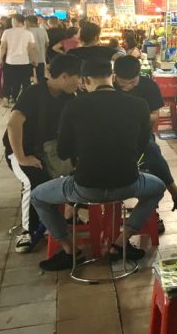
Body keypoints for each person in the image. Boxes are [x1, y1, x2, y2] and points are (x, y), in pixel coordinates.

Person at [31, 58, 165, 271]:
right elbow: (141, 146)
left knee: (37, 196)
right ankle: (121, 243)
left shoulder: (74, 105)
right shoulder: (139, 105)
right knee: (158, 186)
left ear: (85, 80)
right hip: (128, 183)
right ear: (112, 77)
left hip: (85, 188)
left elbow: (64, 152)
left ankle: (70, 250)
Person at [3, 54, 82, 253]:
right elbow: (13, 124)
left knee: (76, 172)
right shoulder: (34, 92)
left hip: (51, 152)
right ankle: (28, 231)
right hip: (21, 151)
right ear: (64, 76)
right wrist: (21, 157)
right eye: (78, 77)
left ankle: (60, 219)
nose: (80, 81)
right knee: (34, 182)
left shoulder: (69, 96)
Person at [113, 55, 177, 215]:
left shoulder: (148, 85)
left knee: (151, 150)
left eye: (132, 83)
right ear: (115, 76)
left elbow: (155, 115)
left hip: (139, 135)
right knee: (152, 151)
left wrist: (135, 115)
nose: (127, 87)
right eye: (122, 83)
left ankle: (153, 212)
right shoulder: (109, 87)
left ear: (139, 75)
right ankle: (176, 195)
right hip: (114, 137)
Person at [0, 13, 36, 105]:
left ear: (15, 21)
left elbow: (3, 47)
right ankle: (26, 100)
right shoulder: (28, 33)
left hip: (10, 61)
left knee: (8, 81)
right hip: (24, 61)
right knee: (25, 82)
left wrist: (0, 59)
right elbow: (32, 48)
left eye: (12, 20)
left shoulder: (7, 32)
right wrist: (34, 60)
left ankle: (6, 99)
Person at [25, 15, 49, 84]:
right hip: (41, 58)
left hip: (29, 58)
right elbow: (47, 44)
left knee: (27, 78)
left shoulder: (26, 31)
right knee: (41, 78)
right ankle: (40, 92)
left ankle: (29, 92)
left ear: (28, 22)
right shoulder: (43, 31)